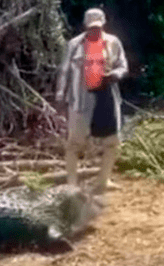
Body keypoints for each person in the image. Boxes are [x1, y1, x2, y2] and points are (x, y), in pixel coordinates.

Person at [56, 7, 128, 194]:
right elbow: (64, 71)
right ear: (85, 26)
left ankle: (103, 181)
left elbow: (123, 65)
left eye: (97, 26)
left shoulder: (113, 42)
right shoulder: (74, 45)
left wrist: (114, 75)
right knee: (74, 144)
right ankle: (72, 185)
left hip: (107, 97)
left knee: (112, 142)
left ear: (103, 24)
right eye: (91, 27)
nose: (94, 30)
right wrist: (60, 95)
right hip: (80, 99)